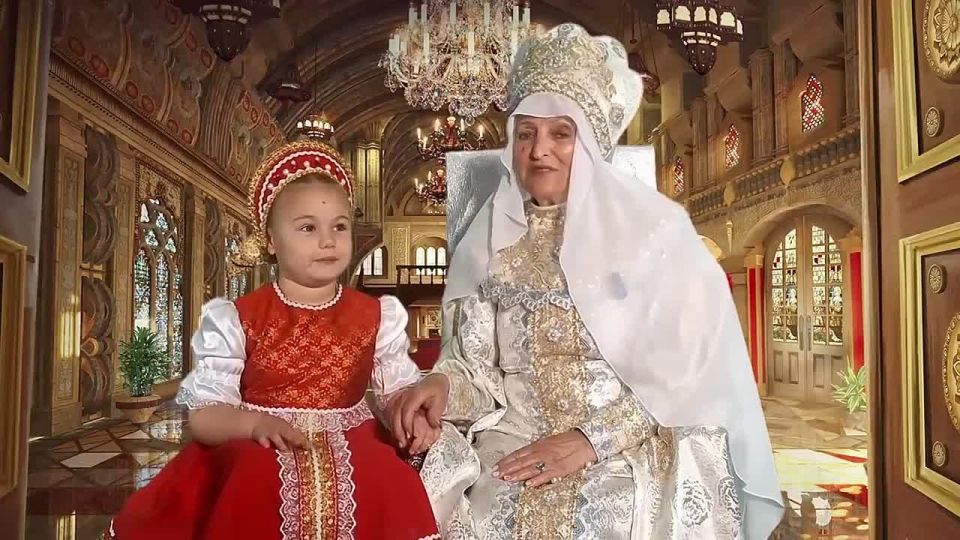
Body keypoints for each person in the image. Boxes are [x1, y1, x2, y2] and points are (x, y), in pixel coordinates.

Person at [390, 24, 785, 539]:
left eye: (561, 133)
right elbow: (479, 376)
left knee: (610, 515)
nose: (539, 151)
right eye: (526, 133)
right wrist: (442, 386)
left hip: (625, 443)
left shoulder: (650, 237)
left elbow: (686, 372)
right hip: (512, 441)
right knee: (477, 508)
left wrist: (590, 440)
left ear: (592, 144)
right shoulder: (489, 247)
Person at [107, 141, 440, 540]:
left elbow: (394, 392)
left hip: (354, 440)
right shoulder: (236, 318)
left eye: (339, 226)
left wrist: (408, 412)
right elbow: (205, 416)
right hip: (256, 446)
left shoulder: (378, 315)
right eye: (308, 228)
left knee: (385, 477)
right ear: (269, 240)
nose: (328, 240)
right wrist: (252, 424)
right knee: (252, 479)